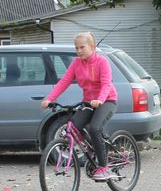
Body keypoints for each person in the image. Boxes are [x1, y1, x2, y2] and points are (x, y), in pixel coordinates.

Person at [41, 32, 118, 181]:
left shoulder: (102, 62)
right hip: (88, 102)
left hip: (107, 100)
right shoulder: (76, 63)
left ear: (92, 46)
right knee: (74, 126)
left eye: (82, 47)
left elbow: (106, 84)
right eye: (76, 48)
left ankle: (104, 168)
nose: (79, 51)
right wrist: (49, 98)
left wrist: (100, 99)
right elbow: (64, 81)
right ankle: (94, 148)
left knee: (94, 128)